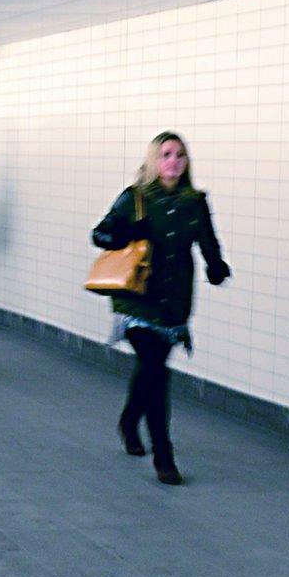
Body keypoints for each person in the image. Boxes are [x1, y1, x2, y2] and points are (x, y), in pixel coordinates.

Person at [89, 131, 230, 486]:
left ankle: (128, 419)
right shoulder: (135, 198)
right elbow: (100, 233)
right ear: (154, 160)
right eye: (166, 154)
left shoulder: (194, 201)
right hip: (137, 298)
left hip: (174, 301)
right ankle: (164, 455)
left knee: (150, 368)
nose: (173, 161)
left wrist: (217, 266)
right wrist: (125, 235)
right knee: (155, 370)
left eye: (180, 155)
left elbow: (208, 242)